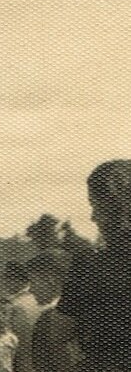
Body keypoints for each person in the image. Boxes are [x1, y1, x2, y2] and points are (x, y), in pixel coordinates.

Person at [55, 159, 131, 372]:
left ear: (119, 207)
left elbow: (60, 333)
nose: (93, 217)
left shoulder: (89, 264)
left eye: (96, 206)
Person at [22, 252, 73, 372]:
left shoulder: (49, 319)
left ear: (50, 280)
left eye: (33, 282)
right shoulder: (89, 312)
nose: (31, 290)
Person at [0, 262, 41, 372]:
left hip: (23, 361)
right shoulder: (37, 298)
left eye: (7, 279)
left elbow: (20, 341)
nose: (5, 283)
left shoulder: (17, 305)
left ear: (16, 280)